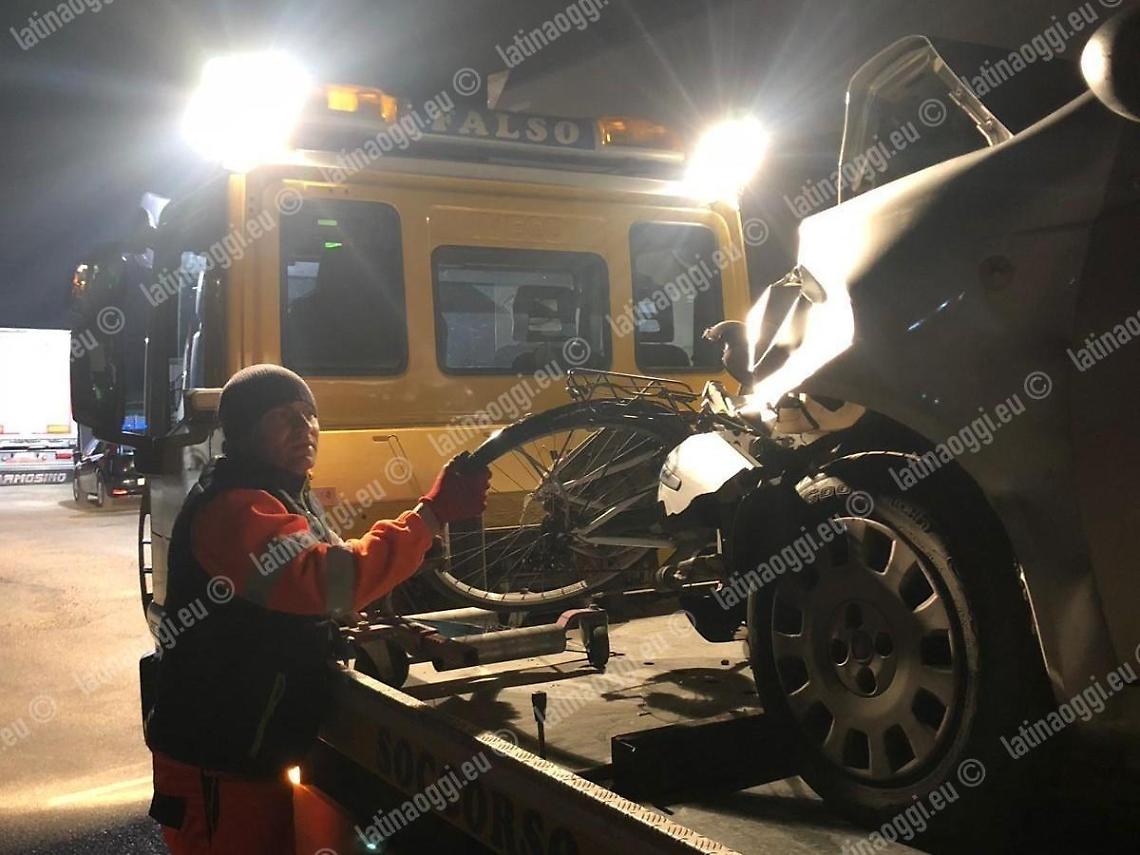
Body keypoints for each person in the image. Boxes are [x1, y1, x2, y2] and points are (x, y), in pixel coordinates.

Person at [144, 364, 490, 853]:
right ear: (244, 431)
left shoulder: (282, 494)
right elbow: (329, 579)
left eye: (309, 415)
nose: (304, 428)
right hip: (216, 757)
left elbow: (322, 571)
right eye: (283, 417)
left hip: (249, 748)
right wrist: (429, 515)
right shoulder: (235, 508)